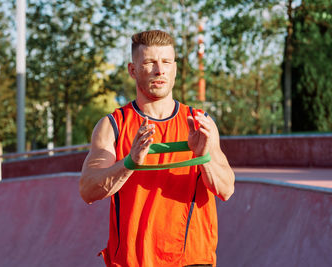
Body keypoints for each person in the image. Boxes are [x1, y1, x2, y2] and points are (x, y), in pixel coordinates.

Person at [79, 30, 235, 267]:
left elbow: (226, 189)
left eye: (166, 62)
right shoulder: (113, 126)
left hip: (193, 260)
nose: (159, 70)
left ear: (174, 68)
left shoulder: (201, 122)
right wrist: (130, 162)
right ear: (133, 70)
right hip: (133, 261)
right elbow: (88, 189)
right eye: (150, 62)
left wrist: (204, 156)